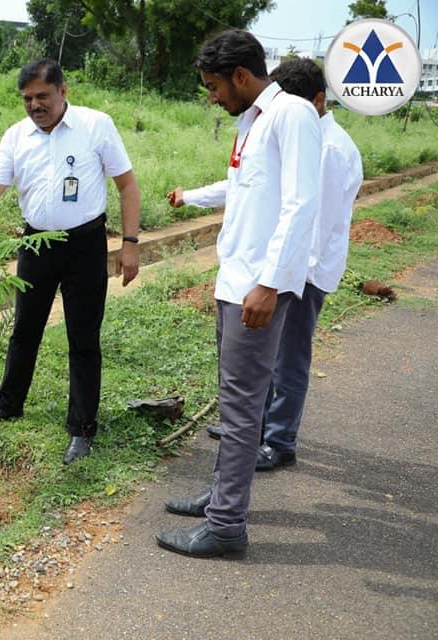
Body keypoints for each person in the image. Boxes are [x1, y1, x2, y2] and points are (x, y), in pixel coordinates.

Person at [156, 31, 321, 558]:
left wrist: (269, 283)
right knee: (234, 402)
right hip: (237, 282)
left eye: (214, 87)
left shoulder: (291, 115)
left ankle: (226, 525)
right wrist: (192, 197)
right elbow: (240, 187)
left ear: (242, 76)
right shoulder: (253, 122)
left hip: (257, 285)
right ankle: (223, 496)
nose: (212, 98)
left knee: (244, 406)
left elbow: (300, 205)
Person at [170, 58, 363, 471]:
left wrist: (282, 278)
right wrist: (191, 197)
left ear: (317, 101)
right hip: (283, 266)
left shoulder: (328, 148)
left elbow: (312, 217)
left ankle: (279, 441)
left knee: (289, 360)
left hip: (304, 270)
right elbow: (243, 187)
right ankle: (252, 428)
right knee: (269, 359)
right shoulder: (277, 128)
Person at [0, 58, 142, 465]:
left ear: (63, 91)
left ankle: (82, 428)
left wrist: (130, 243)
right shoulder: (17, 135)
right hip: (36, 244)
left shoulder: (96, 125)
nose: (35, 105)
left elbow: (127, 185)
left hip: (85, 245)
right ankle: (8, 405)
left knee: (83, 337)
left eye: (42, 96)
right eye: (27, 99)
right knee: (24, 329)